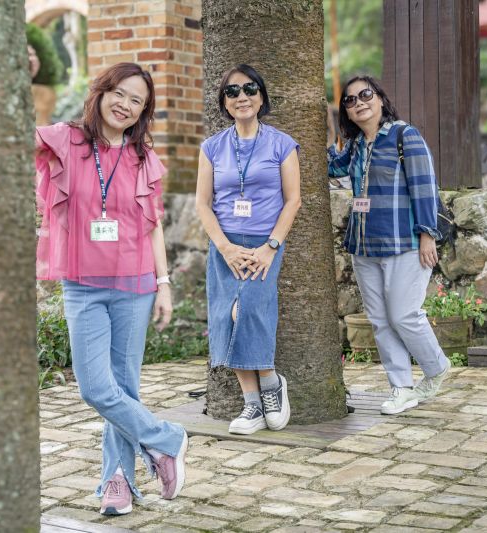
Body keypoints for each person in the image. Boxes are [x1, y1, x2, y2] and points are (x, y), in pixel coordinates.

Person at [35, 63, 188, 516]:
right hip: (83, 285)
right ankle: (167, 439)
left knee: (124, 387)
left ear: (143, 111)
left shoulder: (142, 157)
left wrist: (164, 284)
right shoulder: (67, 139)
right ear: (101, 93)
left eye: (136, 100)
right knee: (95, 388)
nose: (125, 104)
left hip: (135, 285)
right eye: (119, 93)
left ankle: (117, 481)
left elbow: (153, 226)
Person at [328, 75, 451, 415]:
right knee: (381, 321)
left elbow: (424, 185)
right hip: (364, 246)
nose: (358, 102)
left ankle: (436, 366)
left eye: (365, 94)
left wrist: (427, 234)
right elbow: (330, 166)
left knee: (404, 315)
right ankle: (401, 388)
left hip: (404, 242)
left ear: (380, 98)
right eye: (350, 100)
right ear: (346, 112)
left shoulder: (403, 135)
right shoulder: (355, 146)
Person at [195, 64, 301, 435]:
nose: (241, 96)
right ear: (224, 102)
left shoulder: (282, 144)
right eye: (232, 91)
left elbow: (293, 200)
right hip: (225, 245)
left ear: (261, 96)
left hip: (263, 244)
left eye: (249, 88)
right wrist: (224, 247)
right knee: (227, 315)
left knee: (250, 309)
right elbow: (203, 203)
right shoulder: (212, 148)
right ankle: (252, 404)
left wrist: (271, 247)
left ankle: (270, 382)